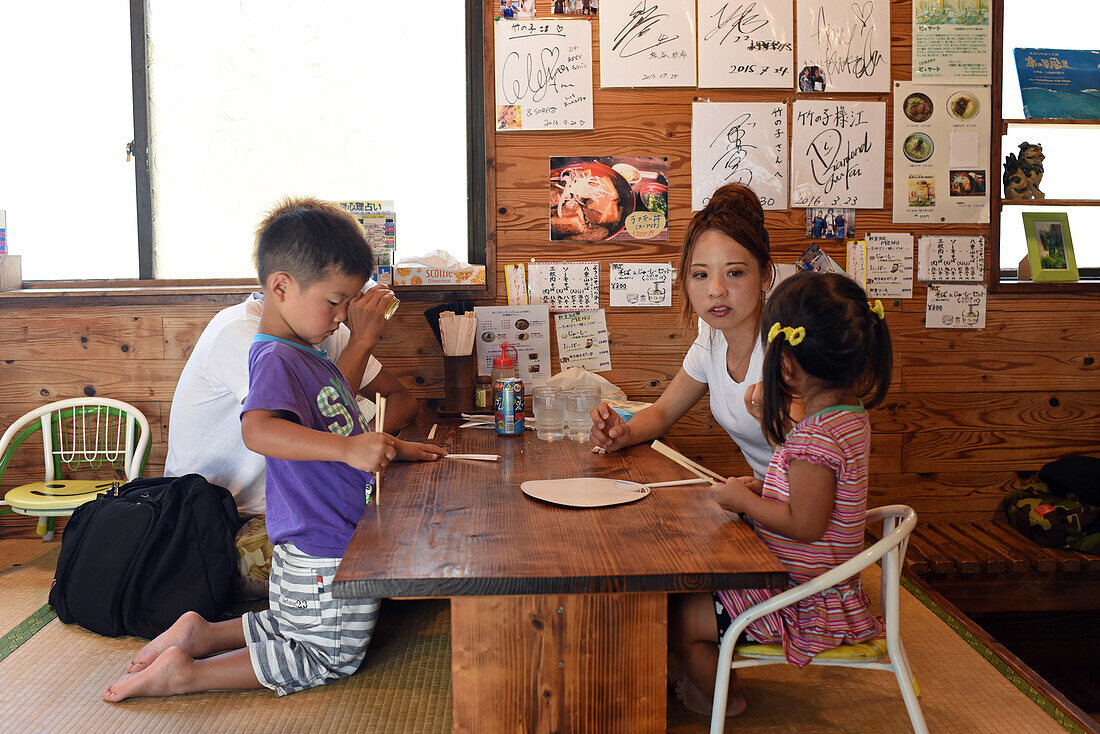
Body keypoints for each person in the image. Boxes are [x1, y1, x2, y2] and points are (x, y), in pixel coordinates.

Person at [103, 197, 446, 702]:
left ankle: (200, 636)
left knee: (294, 621)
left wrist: (392, 446)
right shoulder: (273, 356)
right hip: (317, 535)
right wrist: (348, 452)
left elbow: (338, 419)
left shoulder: (307, 351)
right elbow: (259, 431)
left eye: (349, 302)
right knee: (330, 653)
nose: (342, 316)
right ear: (281, 286)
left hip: (312, 530)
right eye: (334, 302)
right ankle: (187, 675)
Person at [668, 271, 893, 718]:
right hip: (818, 579)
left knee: (679, 617)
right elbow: (809, 491)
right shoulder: (848, 415)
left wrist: (744, 501)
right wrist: (763, 487)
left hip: (801, 594)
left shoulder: (816, 438)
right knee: (691, 586)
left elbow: (806, 524)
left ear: (786, 363)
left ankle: (724, 700)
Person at [590, 183, 783, 481]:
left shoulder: (788, 350)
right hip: (768, 503)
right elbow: (663, 413)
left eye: (734, 272)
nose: (716, 290)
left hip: (809, 517)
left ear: (765, 276)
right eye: (701, 275)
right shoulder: (711, 340)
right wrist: (623, 433)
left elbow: (817, 455)